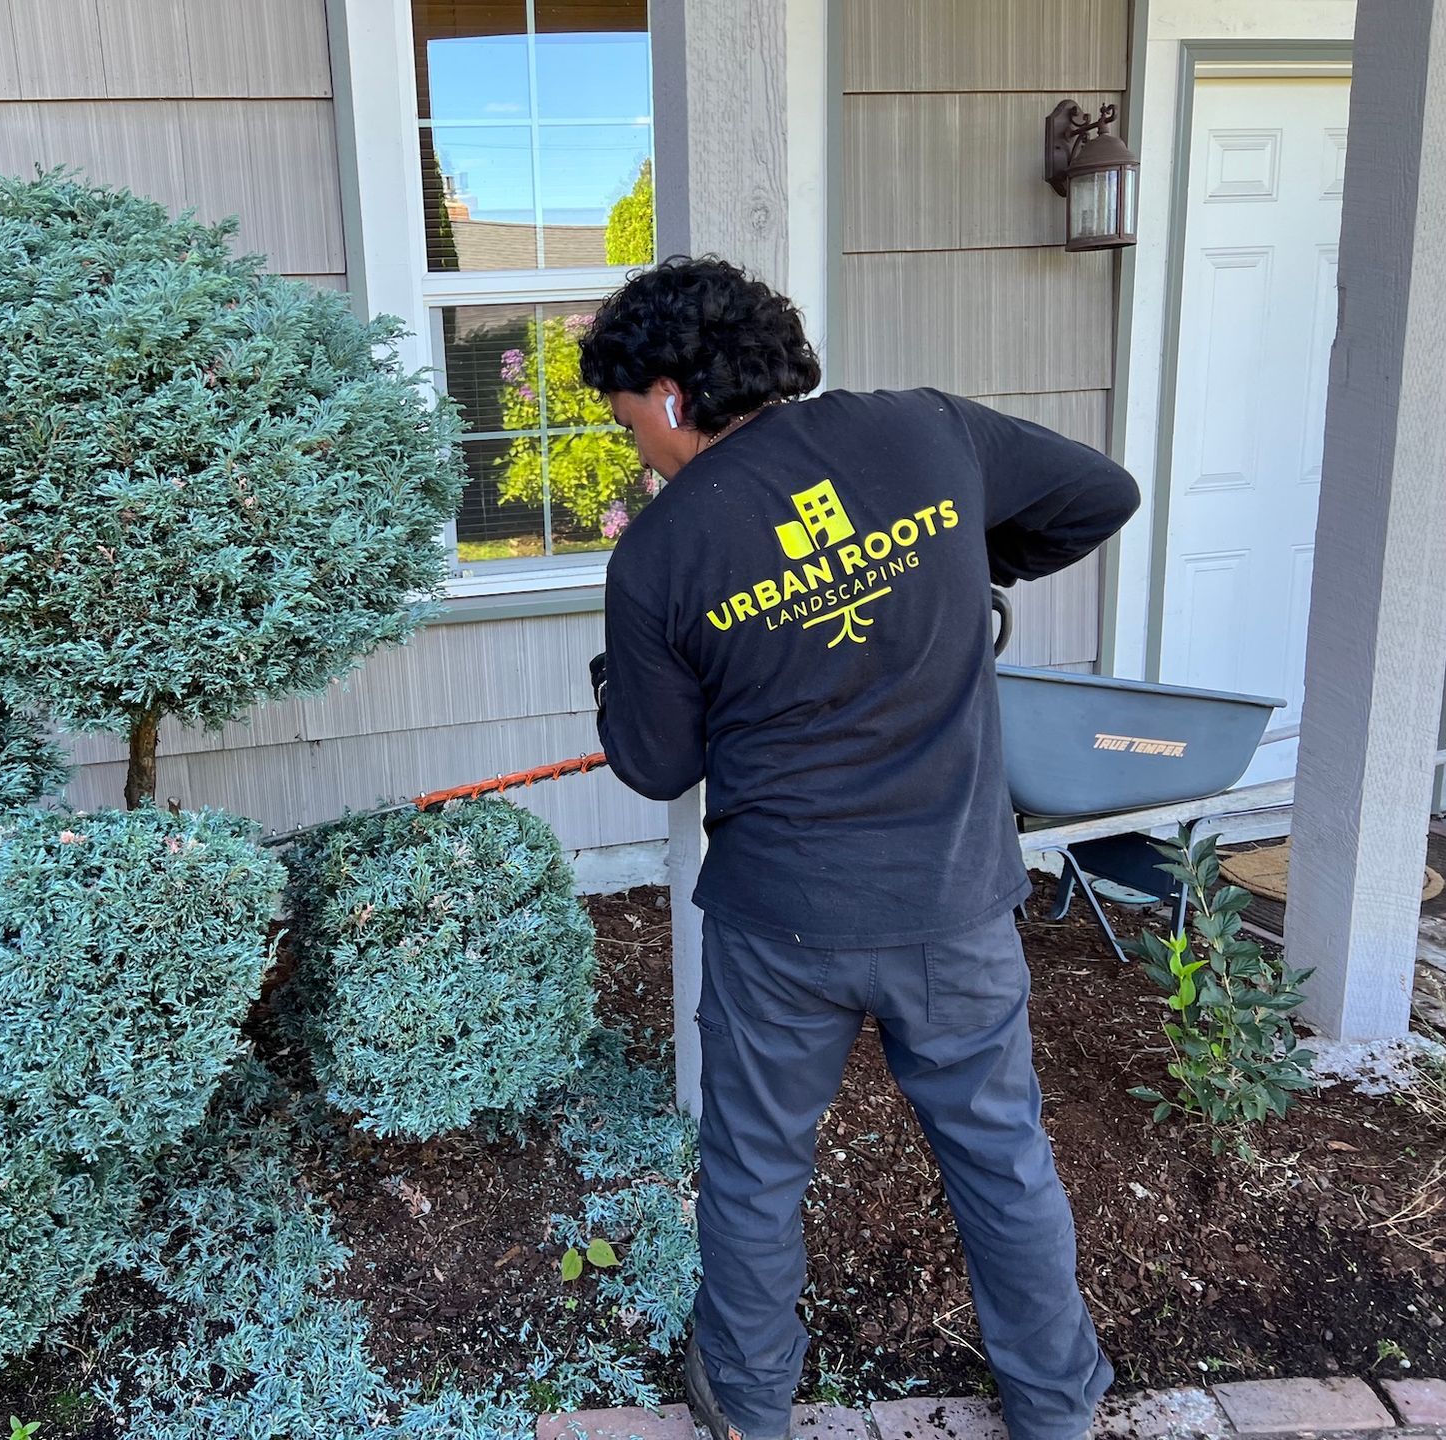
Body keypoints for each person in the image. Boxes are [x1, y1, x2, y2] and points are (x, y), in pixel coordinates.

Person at [580, 256, 1139, 1440]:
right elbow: (1100, 494)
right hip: (954, 905)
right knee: (1001, 1158)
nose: (642, 455)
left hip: (781, 927)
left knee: (754, 1170)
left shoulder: (662, 555)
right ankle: (1053, 1407)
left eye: (636, 425)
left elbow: (655, 762)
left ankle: (749, 1404)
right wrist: (960, 569)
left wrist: (613, 680)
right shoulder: (924, 434)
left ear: (673, 397)